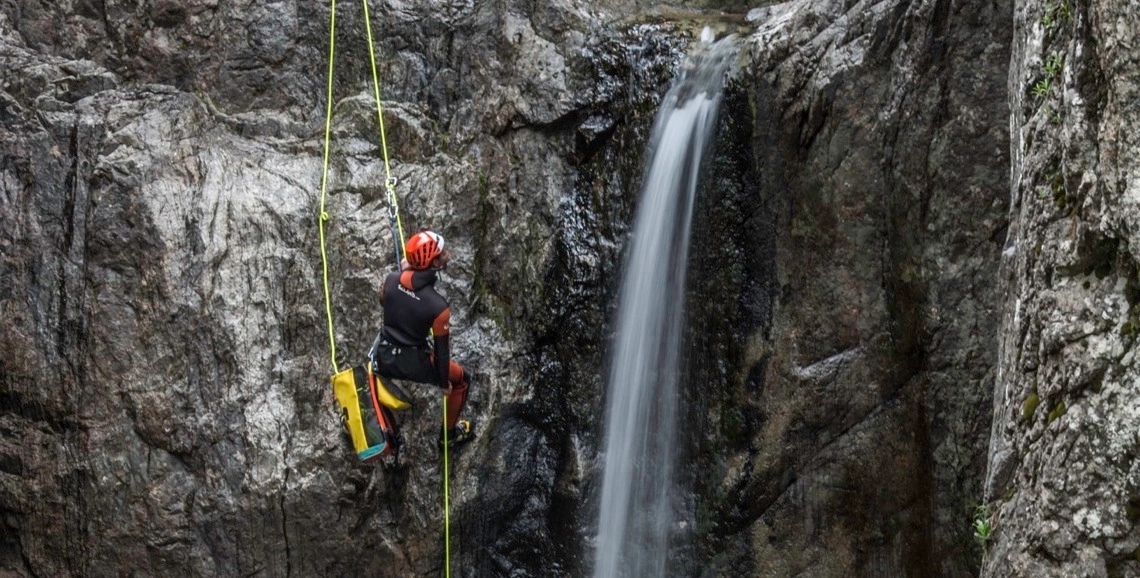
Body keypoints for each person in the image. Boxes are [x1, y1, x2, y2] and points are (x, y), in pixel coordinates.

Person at [370, 229, 474, 450]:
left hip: (383, 354)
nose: (446, 254)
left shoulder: (390, 280)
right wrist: (443, 381)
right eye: (442, 253)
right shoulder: (438, 307)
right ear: (434, 262)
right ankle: (448, 437)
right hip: (412, 361)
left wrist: (406, 276)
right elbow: (442, 351)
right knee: (462, 380)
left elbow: (388, 298)